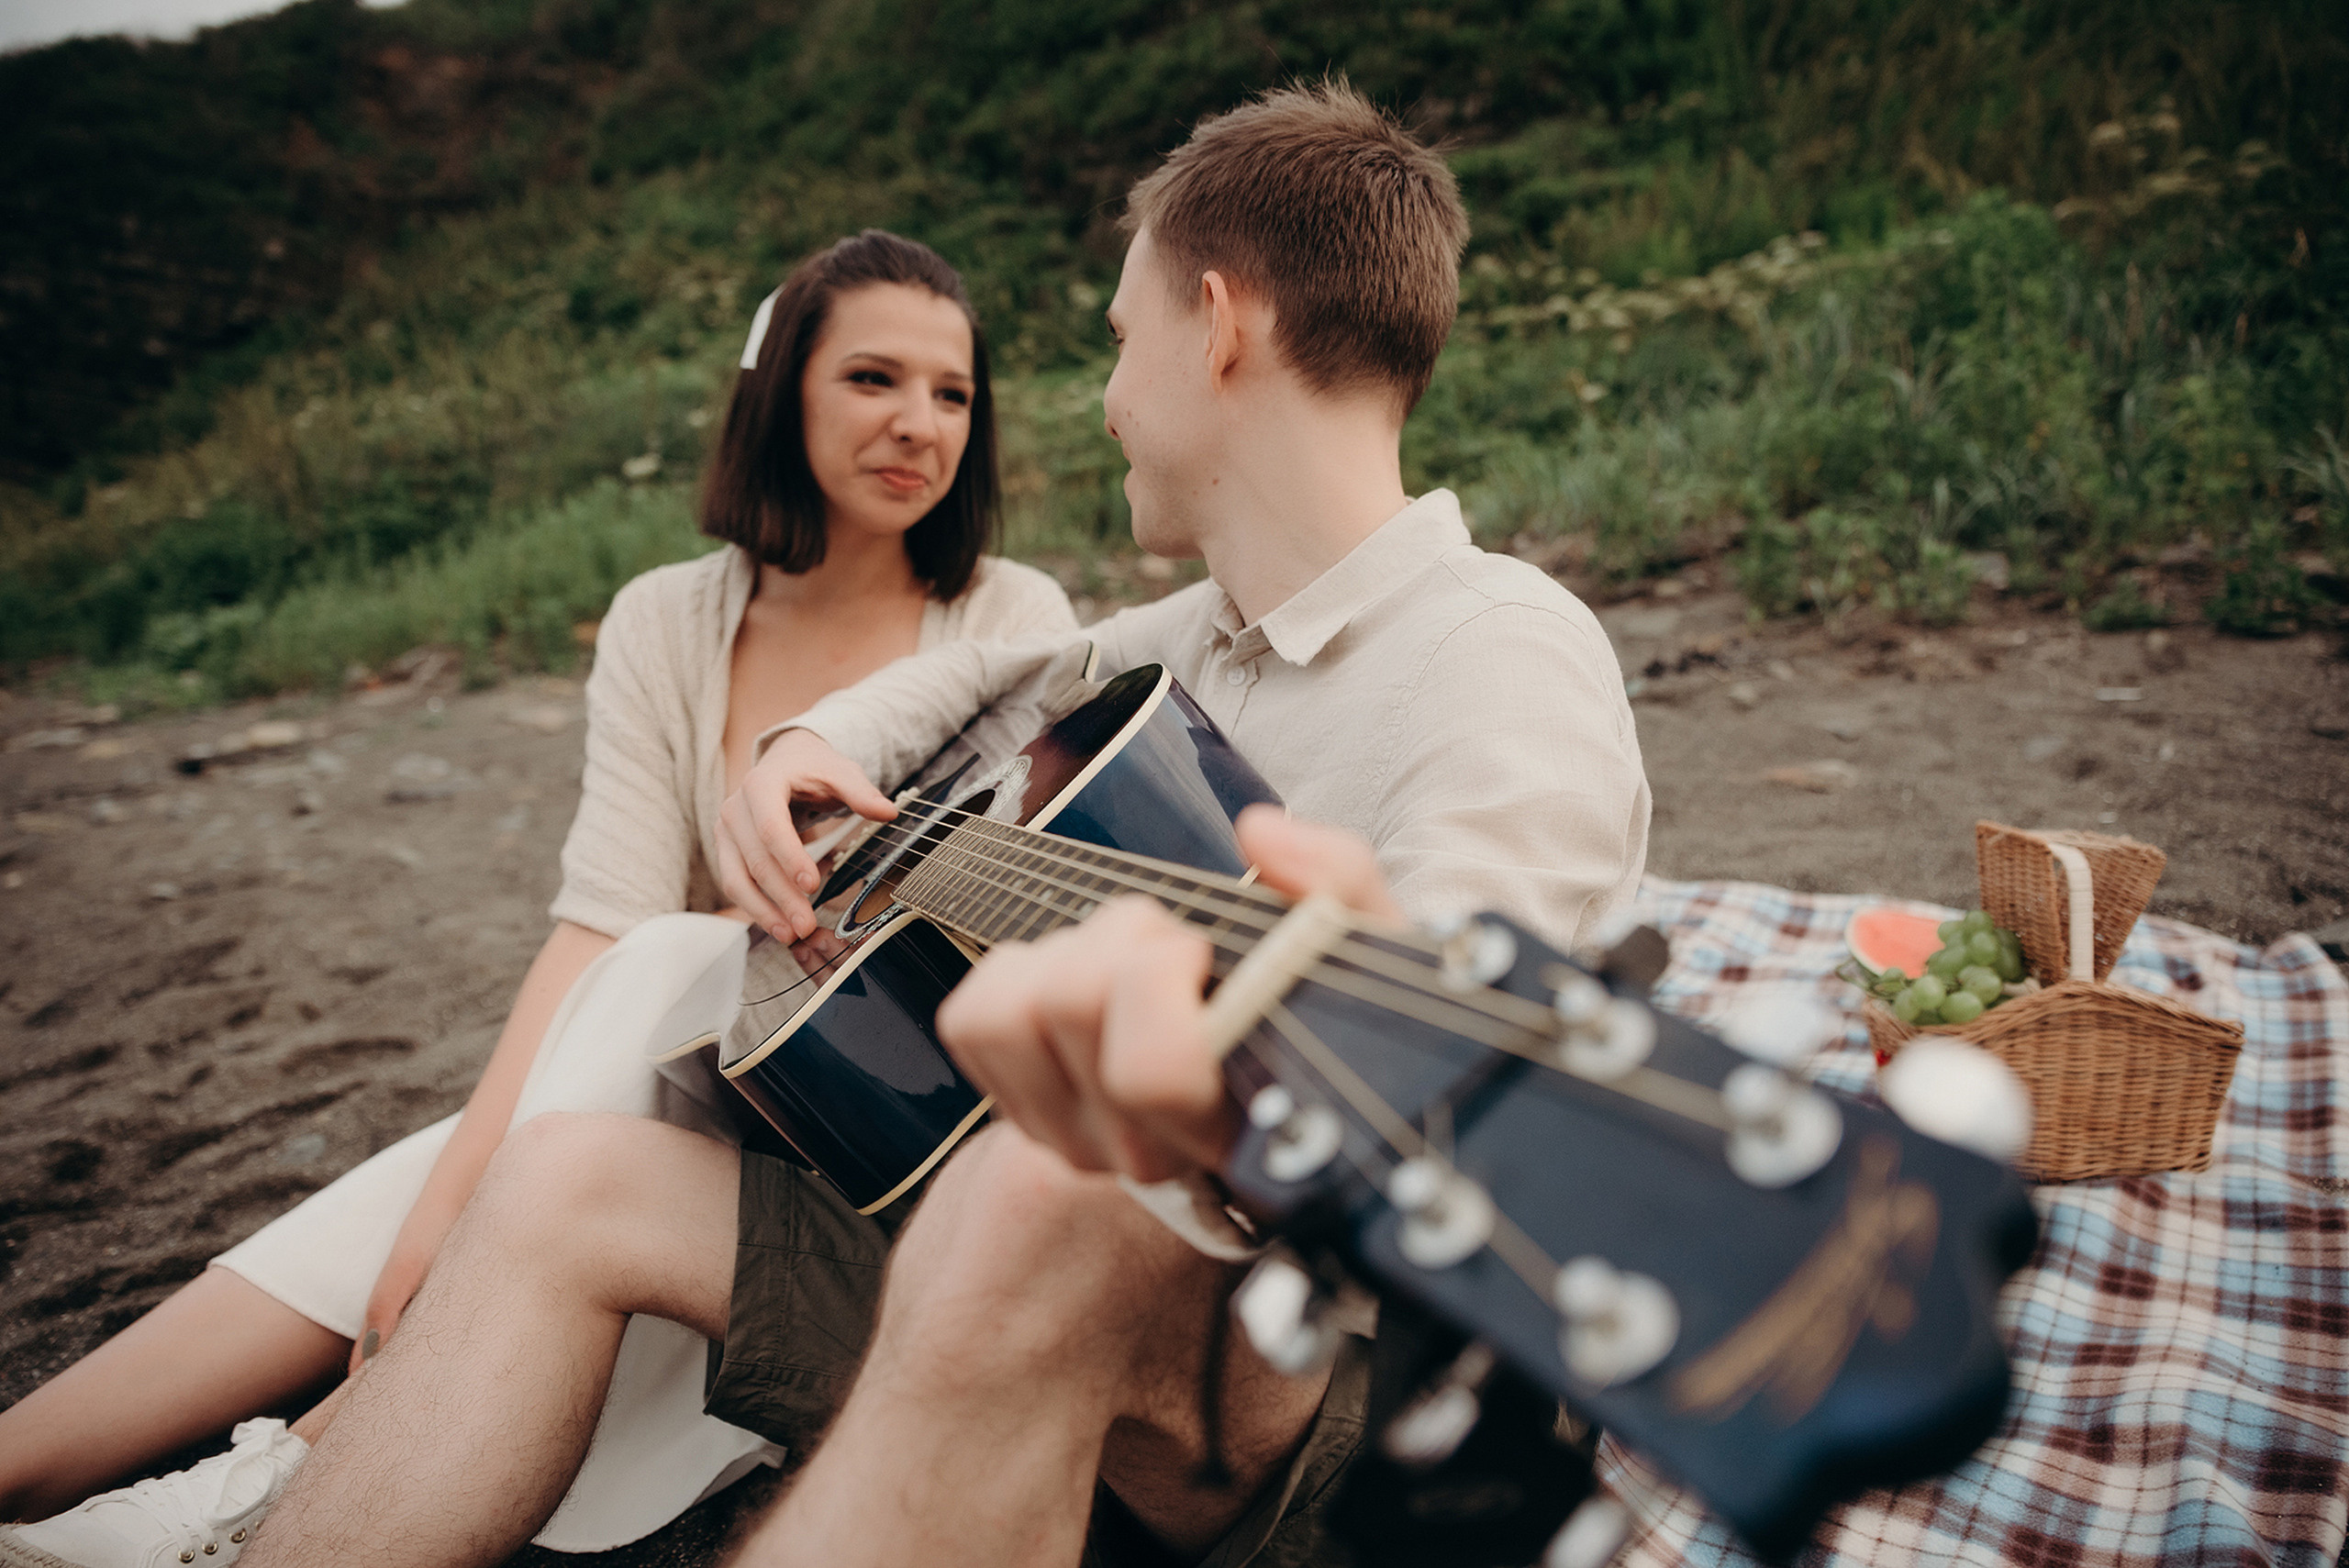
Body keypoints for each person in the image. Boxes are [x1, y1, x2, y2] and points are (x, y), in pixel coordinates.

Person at [235, 81, 1651, 1568]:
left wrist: (1190, 1100)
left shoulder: (1497, 648)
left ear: (1218, 327)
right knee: (562, 1176)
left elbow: (1455, 1091)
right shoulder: (1205, 631)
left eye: (1120, 339)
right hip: (1090, 1267)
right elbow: (995, 675)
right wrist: (809, 744)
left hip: (1342, 1406)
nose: (1106, 395)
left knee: (1047, 1201)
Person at [0, 229, 1078, 1568]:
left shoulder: (1007, 615)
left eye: (953, 393)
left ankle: (284, 1479)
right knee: (444, 1165)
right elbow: (597, 921)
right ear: (782, 388)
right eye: (873, 378)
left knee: (682, 955)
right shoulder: (665, 621)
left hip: (832, 1148)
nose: (920, 424)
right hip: (643, 1090)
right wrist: (463, 1195)